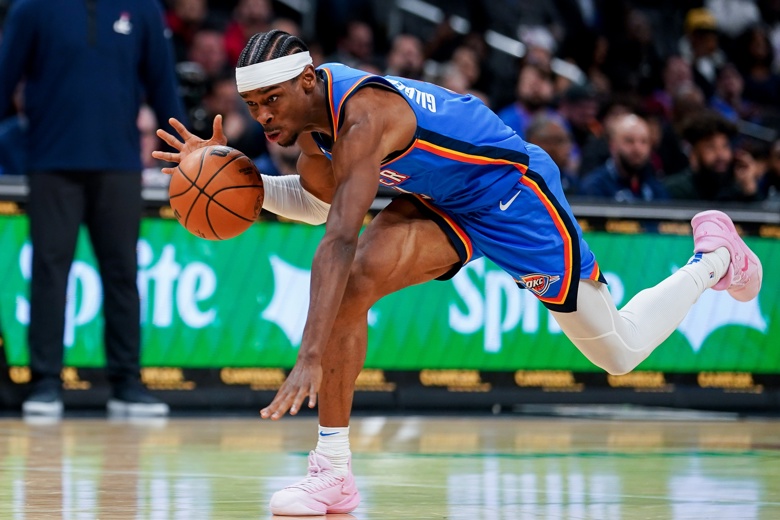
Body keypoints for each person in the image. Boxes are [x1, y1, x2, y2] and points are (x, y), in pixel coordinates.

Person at [153, 30, 763, 516]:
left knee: (618, 352)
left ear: (307, 80)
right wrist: (238, 180)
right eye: (253, 106)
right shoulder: (313, 129)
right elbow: (317, 206)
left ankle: (714, 258)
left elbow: (338, 235)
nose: (262, 117)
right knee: (353, 287)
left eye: (272, 101)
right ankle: (332, 472)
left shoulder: (363, 117)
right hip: (440, 201)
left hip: (510, 191)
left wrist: (309, 353)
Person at [0, 0, 186, 416]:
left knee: (122, 273)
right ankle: (45, 383)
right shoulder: (31, 7)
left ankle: (127, 384)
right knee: (50, 272)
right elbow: (5, 76)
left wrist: (187, 152)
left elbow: (162, 82)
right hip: (51, 163)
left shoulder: (142, 8)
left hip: (119, 164)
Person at [663, 111, 763, 202]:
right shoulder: (676, 190)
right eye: (711, 147)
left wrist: (749, 187)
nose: (720, 155)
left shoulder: (738, 189)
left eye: (725, 146)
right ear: (694, 153)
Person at [579, 114, 668, 202]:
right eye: (629, 141)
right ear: (612, 146)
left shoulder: (654, 186)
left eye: (644, 142)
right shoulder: (594, 187)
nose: (637, 148)